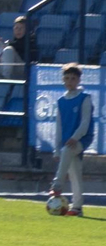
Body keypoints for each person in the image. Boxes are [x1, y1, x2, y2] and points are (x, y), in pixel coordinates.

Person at [49, 63, 94, 216]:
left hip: (83, 137)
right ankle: (77, 207)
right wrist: (56, 149)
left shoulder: (84, 98)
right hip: (67, 141)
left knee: (67, 150)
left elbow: (85, 122)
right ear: (63, 80)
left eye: (73, 78)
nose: (70, 81)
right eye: (67, 78)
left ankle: (57, 185)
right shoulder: (61, 101)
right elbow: (59, 127)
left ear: (79, 80)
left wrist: (75, 137)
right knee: (75, 171)